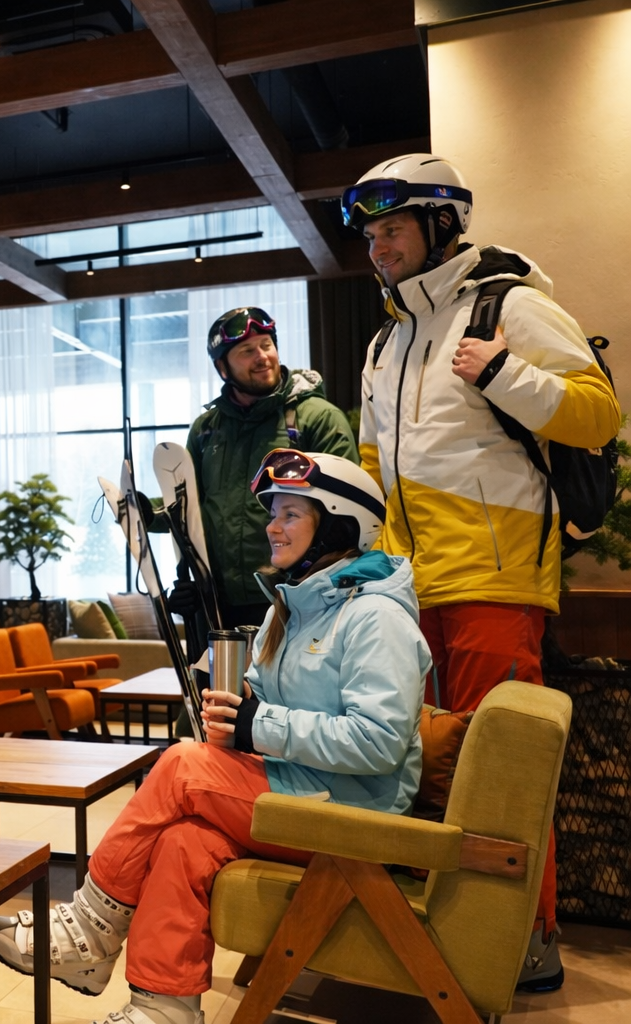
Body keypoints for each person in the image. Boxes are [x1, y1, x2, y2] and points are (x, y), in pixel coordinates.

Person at [0, 451, 427, 1024]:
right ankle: (163, 1009)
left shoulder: (375, 617)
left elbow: (380, 741)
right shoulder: (290, 611)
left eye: (291, 514)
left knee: (181, 765)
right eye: (273, 513)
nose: (272, 527)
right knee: (183, 841)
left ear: (339, 526)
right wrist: (226, 697)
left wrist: (258, 724)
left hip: (359, 814)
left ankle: (89, 928)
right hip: (303, 789)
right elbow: (260, 703)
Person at [342, 153, 622, 989]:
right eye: (370, 235)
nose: (378, 247)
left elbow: (597, 414)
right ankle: (439, 932)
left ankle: (526, 942)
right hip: (409, 588)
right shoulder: (387, 339)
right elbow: (373, 460)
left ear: (442, 224)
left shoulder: (510, 304)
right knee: (421, 764)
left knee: (504, 768)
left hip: (495, 582)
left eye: (392, 229)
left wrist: (501, 371)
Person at [175, 307, 357, 630]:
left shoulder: (317, 418)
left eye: (266, 345)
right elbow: (189, 506)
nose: (262, 357)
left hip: (296, 599)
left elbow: (346, 513)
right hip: (219, 605)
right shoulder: (206, 431)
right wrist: (147, 514)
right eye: (247, 351)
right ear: (222, 367)